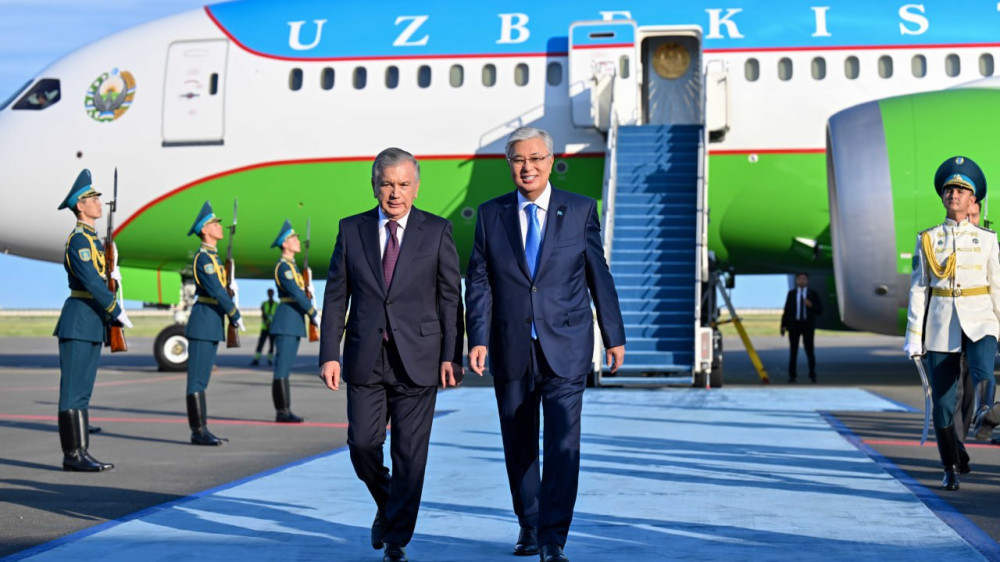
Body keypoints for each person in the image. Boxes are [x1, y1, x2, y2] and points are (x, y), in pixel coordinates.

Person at [465, 127, 626, 562]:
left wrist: (613, 335)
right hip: (511, 345)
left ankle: (553, 537)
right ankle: (529, 523)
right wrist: (476, 337)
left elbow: (599, 275)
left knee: (562, 441)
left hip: (567, 345)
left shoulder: (579, 210)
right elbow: (479, 282)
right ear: (509, 165)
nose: (527, 167)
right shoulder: (489, 215)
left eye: (535, 158)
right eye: (518, 160)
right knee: (518, 441)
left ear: (551, 161)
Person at [319, 148, 463, 562]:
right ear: (374, 185)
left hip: (419, 356)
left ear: (416, 187)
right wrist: (330, 352)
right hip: (366, 354)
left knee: (410, 455)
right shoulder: (352, 230)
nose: (394, 193)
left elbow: (451, 298)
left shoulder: (436, 230)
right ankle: (388, 502)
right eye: (387, 184)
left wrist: (451, 355)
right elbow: (335, 297)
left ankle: (397, 539)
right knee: (362, 444)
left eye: (403, 185)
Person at [905, 156, 1000, 491]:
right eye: (949, 189)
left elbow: (997, 287)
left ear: (973, 200)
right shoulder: (928, 239)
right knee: (944, 405)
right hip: (941, 325)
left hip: (980, 319)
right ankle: (951, 465)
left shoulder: (987, 239)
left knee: (983, 371)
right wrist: (913, 337)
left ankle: (988, 414)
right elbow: (919, 290)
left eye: (961, 189)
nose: (954, 194)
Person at [54, 169, 132, 471]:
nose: (99, 202)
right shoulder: (79, 242)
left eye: (98, 197)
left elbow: (103, 278)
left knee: (83, 390)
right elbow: (90, 281)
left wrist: (113, 272)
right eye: (92, 198)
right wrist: (116, 309)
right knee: (73, 390)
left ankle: (82, 451)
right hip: (79, 319)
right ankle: (72, 455)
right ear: (80, 206)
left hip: (91, 321)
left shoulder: (94, 241)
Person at [185, 201, 244, 446]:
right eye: (215, 223)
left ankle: (202, 428)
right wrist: (233, 312)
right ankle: (198, 430)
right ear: (205, 229)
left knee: (202, 379)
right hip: (204, 321)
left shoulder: (214, 258)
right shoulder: (204, 259)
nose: (219, 226)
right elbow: (216, 290)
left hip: (211, 322)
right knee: (197, 379)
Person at [269, 219, 318, 423]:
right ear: (285, 244)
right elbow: (296, 294)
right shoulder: (284, 268)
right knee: (282, 368)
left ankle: (285, 409)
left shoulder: (293, 267)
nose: (297, 240)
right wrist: (312, 311)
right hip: (287, 321)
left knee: (286, 367)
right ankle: (282, 411)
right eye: (293, 238)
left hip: (293, 321)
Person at [780, 272, 823, 383]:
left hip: (807, 325)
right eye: (799, 279)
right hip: (794, 325)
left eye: (804, 279)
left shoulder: (812, 294)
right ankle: (792, 376)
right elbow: (787, 310)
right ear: (796, 280)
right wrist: (783, 326)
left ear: (807, 281)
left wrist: (811, 305)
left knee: (810, 351)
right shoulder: (792, 294)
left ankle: (812, 375)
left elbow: (819, 310)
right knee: (793, 351)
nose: (801, 281)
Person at [250, 289, 277, 366]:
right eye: (269, 293)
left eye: (271, 293)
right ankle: (256, 359)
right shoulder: (264, 304)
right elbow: (263, 314)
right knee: (260, 344)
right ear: (267, 294)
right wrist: (267, 322)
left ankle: (270, 360)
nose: (270, 294)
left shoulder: (276, 304)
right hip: (265, 327)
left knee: (271, 345)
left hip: (273, 328)